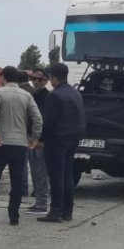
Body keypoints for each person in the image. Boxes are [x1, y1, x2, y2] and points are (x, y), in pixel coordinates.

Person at [0, 66, 42, 226]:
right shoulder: (26, 95)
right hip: (20, 144)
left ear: (3, 78)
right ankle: (14, 217)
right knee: (17, 181)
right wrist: (34, 138)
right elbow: (38, 118)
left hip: (1, 143)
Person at [37, 63, 86, 223]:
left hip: (57, 140)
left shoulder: (54, 96)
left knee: (56, 177)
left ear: (54, 77)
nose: (49, 80)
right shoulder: (75, 93)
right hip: (72, 138)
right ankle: (67, 211)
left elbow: (48, 122)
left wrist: (40, 139)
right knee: (67, 175)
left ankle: (55, 212)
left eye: (50, 77)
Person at [26, 68, 51, 215]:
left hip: (41, 141)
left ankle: (42, 203)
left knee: (41, 172)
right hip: (31, 138)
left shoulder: (48, 98)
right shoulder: (32, 96)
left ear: (46, 80)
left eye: (39, 79)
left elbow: (46, 121)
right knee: (35, 172)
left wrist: (41, 140)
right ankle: (39, 201)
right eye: (33, 78)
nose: (36, 82)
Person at [17, 70, 34, 197]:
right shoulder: (34, 91)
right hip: (34, 131)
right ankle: (37, 188)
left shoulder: (19, 94)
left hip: (22, 130)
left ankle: (22, 189)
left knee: (22, 162)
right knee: (36, 163)